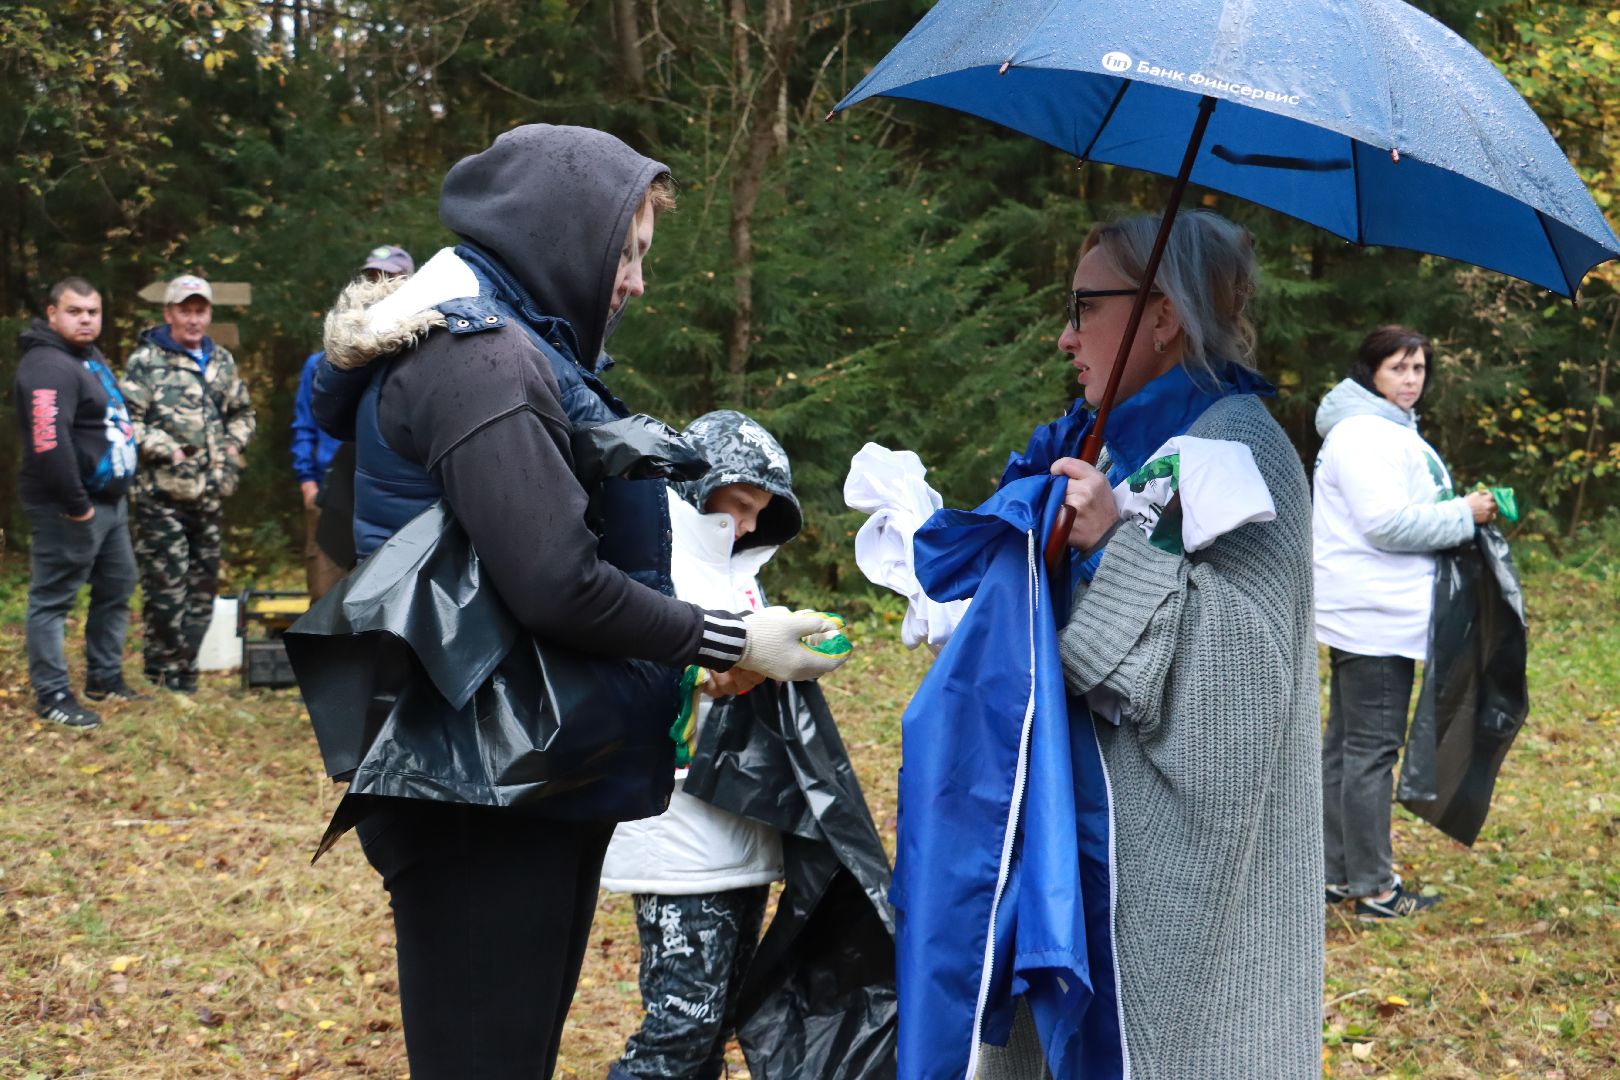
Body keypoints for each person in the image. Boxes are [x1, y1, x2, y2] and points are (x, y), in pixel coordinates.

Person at [307, 124, 848, 1080]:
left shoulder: (513, 345)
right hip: (483, 784)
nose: (637, 281)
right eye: (626, 253)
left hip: (519, 768)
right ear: (561, 234)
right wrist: (729, 636)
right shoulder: (480, 360)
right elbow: (555, 581)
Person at [983, 210, 1323, 1078]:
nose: (1066, 336)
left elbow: (1243, 691)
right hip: (1092, 855)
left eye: (1084, 306)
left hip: (1179, 897)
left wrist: (1110, 546)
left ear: (1162, 315)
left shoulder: (1238, 445)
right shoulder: (1115, 441)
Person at [600, 409, 801, 1080]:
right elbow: (618, 672)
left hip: (742, 826)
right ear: (701, 484)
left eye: (759, 512)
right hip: (675, 835)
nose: (747, 525)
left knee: (712, 1031)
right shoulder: (648, 554)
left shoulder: (739, 572)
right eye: (740, 505)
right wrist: (700, 678)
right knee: (678, 1034)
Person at [1312, 326, 1495, 920]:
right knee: (1369, 750)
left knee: (1346, 748)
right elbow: (1387, 525)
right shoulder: (1365, 434)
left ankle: (1338, 874)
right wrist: (1463, 514)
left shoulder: (1380, 427)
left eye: (1418, 368)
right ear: (1372, 373)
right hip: (1373, 615)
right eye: (1398, 369)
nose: (1411, 380)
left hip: (1365, 609)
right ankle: (1374, 889)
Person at [14, 276, 142, 728]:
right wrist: (76, 504)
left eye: (93, 311)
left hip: (109, 503)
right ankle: (51, 695)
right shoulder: (47, 365)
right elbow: (49, 442)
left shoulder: (85, 356)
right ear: (52, 314)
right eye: (75, 311)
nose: (86, 319)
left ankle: (104, 678)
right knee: (52, 599)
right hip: (68, 506)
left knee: (116, 587)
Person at [121, 274, 257, 692]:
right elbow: (127, 423)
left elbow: (243, 413)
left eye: (201, 311)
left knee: (203, 589)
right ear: (169, 313)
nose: (194, 319)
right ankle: (162, 672)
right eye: (185, 310)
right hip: (160, 496)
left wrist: (232, 449)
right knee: (167, 590)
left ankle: (185, 671)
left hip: (210, 493)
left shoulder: (221, 361)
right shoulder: (146, 361)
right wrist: (168, 448)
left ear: (209, 314)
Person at [291, 245, 413, 599]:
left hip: (390, 500)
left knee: (385, 602)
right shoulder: (324, 363)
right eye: (371, 277)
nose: (377, 287)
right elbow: (303, 425)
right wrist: (308, 486)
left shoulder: (418, 357)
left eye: (389, 279)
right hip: (329, 497)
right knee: (326, 601)